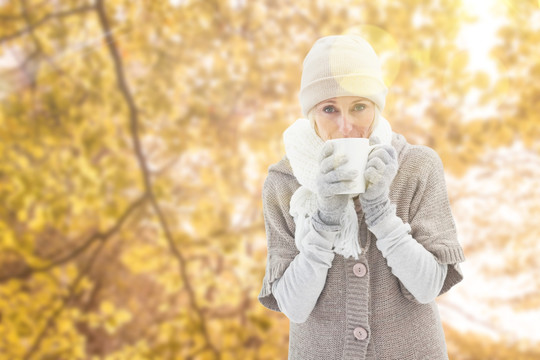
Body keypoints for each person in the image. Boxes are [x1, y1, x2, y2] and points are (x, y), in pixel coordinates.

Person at [257, 34, 466, 360]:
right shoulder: (283, 184)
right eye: (329, 109)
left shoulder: (416, 167)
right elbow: (294, 308)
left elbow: (427, 287)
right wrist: (325, 219)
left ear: (377, 107)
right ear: (310, 112)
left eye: (359, 107)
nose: (346, 127)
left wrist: (380, 211)